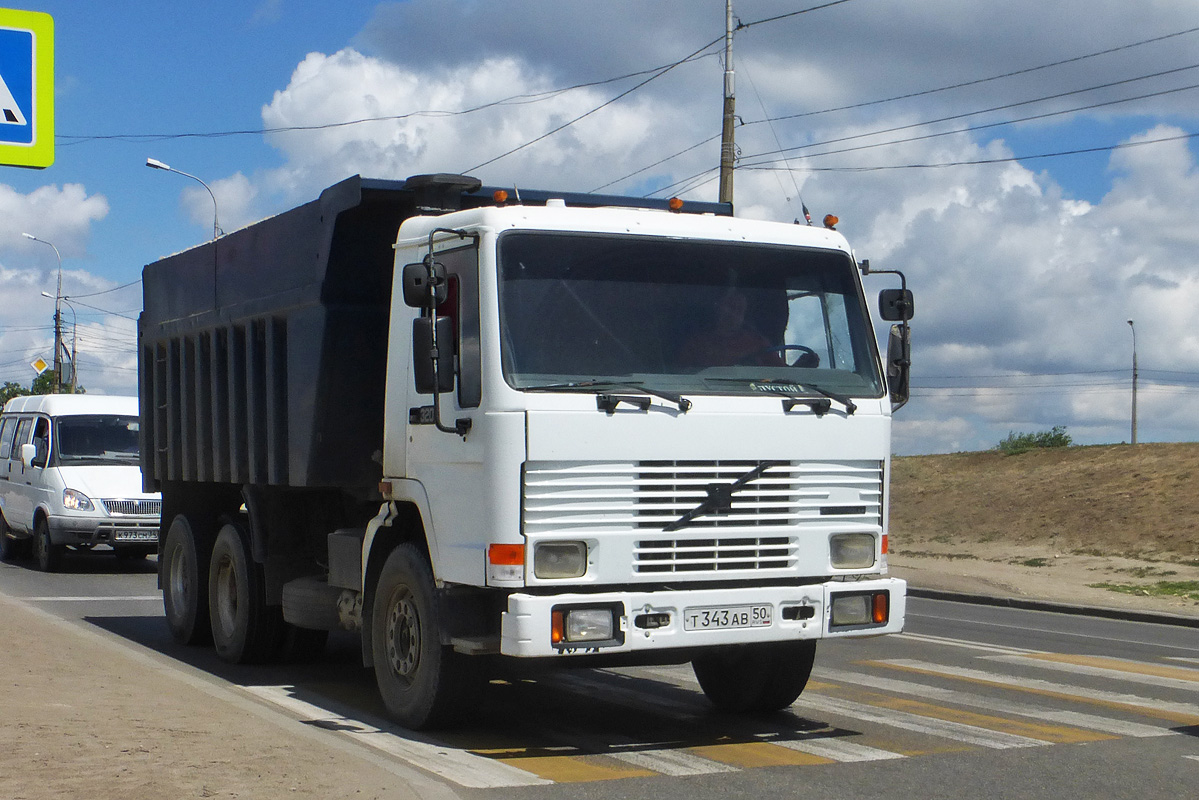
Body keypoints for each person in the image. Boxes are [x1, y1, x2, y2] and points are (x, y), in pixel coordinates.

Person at [678, 286, 784, 368]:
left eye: (740, 309)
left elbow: (782, 374)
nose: (734, 314)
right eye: (731, 307)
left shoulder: (757, 343)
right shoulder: (698, 343)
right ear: (718, 308)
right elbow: (680, 375)